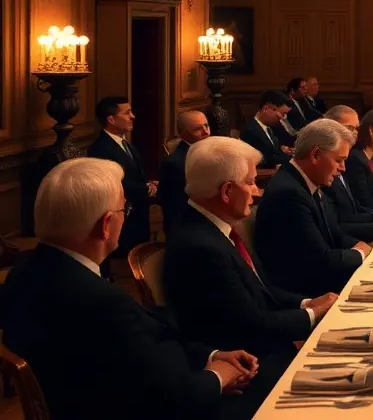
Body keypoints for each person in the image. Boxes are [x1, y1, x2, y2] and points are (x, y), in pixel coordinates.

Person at [1, 158, 260, 420]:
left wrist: (212, 355)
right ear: (105, 225)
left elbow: (143, 346)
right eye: (125, 208)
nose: (126, 215)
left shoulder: (22, 274)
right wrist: (218, 376)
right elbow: (169, 398)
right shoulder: (101, 302)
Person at [164, 137, 337, 370]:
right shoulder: (200, 247)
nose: (257, 191)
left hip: (265, 346)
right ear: (227, 191)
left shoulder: (215, 226)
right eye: (251, 182)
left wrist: (306, 303)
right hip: (251, 366)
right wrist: (312, 315)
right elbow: (250, 326)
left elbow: (260, 291)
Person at [254, 120, 372, 298]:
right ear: (316, 155)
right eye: (339, 160)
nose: (343, 168)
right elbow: (320, 261)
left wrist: (360, 247)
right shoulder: (288, 193)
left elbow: (335, 233)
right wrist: (360, 253)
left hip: (326, 279)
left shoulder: (306, 181)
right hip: (310, 292)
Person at [87, 96, 153, 257]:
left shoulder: (125, 143)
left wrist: (149, 184)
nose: (133, 116)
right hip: (123, 221)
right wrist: (145, 188)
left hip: (138, 216)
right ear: (111, 119)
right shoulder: (100, 148)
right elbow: (111, 183)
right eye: (127, 113)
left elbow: (133, 174)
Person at [157, 110, 211, 234]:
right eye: (198, 129)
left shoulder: (210, 151)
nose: (206, 132)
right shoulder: (175, 164)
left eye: (206, 125)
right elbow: (175, 207)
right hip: (188, 230)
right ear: (183, 133)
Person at [241, 90, 294, 169]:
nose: (283, 118)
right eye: (282, 113)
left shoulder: (268, 128)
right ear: (266, 109)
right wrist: (297, 158)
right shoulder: (252, 131)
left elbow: (276, 152)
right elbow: (269, 160)